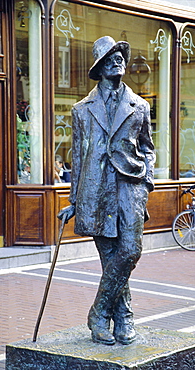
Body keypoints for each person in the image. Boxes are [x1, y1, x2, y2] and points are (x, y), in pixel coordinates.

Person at [58, 36, 155, 345]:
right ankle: (123, 318)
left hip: (130, 187)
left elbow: (148, 150)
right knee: (110, 256)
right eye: (111, 57)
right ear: (99, 68)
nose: (118, 60)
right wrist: (74, 201)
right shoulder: (81, 110)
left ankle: (99, 313)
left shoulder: (140, 106)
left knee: (130, 250)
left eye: (120, 56)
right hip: (96, 190)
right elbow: (78, 155)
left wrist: (146, 185)